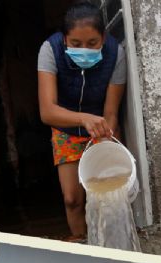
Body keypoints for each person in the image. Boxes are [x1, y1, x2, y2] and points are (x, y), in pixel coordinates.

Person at [37, 1, 127, 242]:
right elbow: (47, 111)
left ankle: (105, 248)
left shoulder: (116, 53)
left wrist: (104, 136)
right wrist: (83, 118)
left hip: (101, 129)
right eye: (76, 44)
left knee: (104, 197)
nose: (84, 50)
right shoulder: (50, 50)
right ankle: (80, 243)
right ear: (65, 39)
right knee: (72, 199)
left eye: (92, 43)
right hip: (65, 128)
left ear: (103, 38)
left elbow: (111, 112)